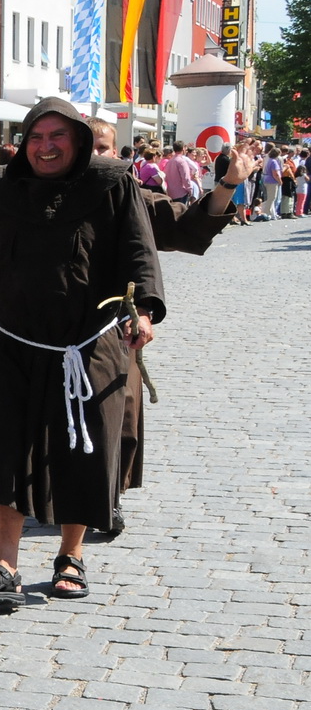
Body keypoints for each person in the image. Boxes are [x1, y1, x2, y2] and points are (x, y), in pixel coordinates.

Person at [0, 98, 161, 607]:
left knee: (83, 452)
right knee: (2, 450)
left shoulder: (113, 182)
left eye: (58, 137)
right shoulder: (1, 188)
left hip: (90, 345)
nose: (46, 147)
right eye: (37, 137)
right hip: (15, 344)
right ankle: (5, 565)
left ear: (79, 140)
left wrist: (145, 313)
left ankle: (72, 555)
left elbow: (139, 251)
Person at [88, 121, 247, 535]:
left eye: (104, 147)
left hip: (117, 324)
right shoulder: (43, 196)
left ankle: (108, 498)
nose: (97, 156)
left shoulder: (130, 195)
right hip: (55, 327)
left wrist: (228, 184)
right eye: (88, 148)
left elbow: (184, 224)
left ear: (117, 152)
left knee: (120, 410)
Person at [162, 141, 201, 205]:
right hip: (180, 192)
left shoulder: (170, 161)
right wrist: (189, 189)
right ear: (183, 148)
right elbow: (185, 177)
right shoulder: (181, 161)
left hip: (170, 192)